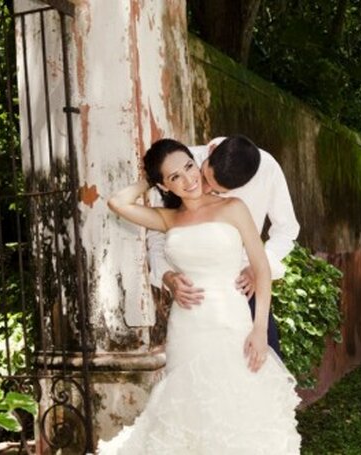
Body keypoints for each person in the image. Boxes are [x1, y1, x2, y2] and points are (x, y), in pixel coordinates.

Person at [98, 139, 301, 454]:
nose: (189, 179)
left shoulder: (234, 207)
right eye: (175, 177)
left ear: (198, 161)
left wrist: (259, 328)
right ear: (165, 185)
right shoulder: (169, 218)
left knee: (239, 413)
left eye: (189, 167)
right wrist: (148, 179)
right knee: (190, 417)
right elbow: (117, 203)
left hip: (233, 322)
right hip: (188, 328)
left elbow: (261, 269)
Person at [147, 135, 300, 357]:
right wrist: (167, 276)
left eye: (218, 191)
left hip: (245, 290)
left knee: (260, 370)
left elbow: (286, 230)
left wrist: (257, 268)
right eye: (206, 177)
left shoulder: (267, 170)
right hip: (194, 297)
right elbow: (156, 239)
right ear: (211, 149)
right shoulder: (178, 164)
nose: (205, 189)